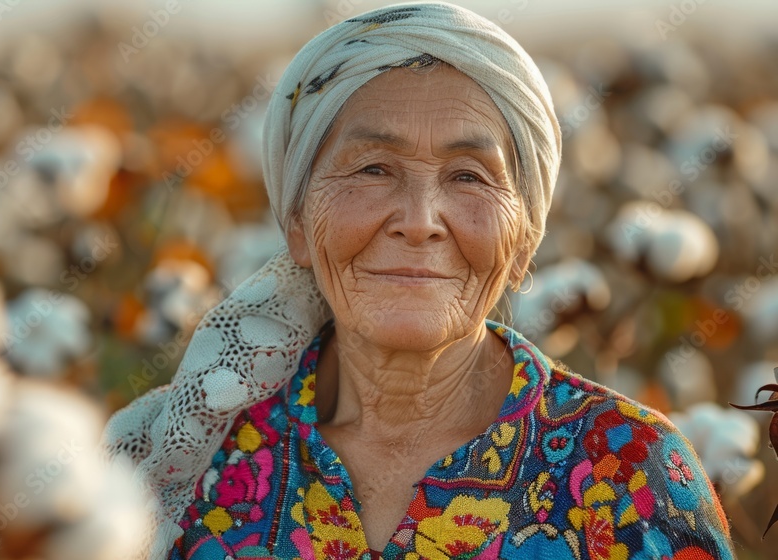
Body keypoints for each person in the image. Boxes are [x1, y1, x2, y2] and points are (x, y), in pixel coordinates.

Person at [103, 3, 736, 559]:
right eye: (373, 168)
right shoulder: (185, 472)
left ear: (523, 240)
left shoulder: (628, 474)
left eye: (469, 176)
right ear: (296, 222)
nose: (419, 221)